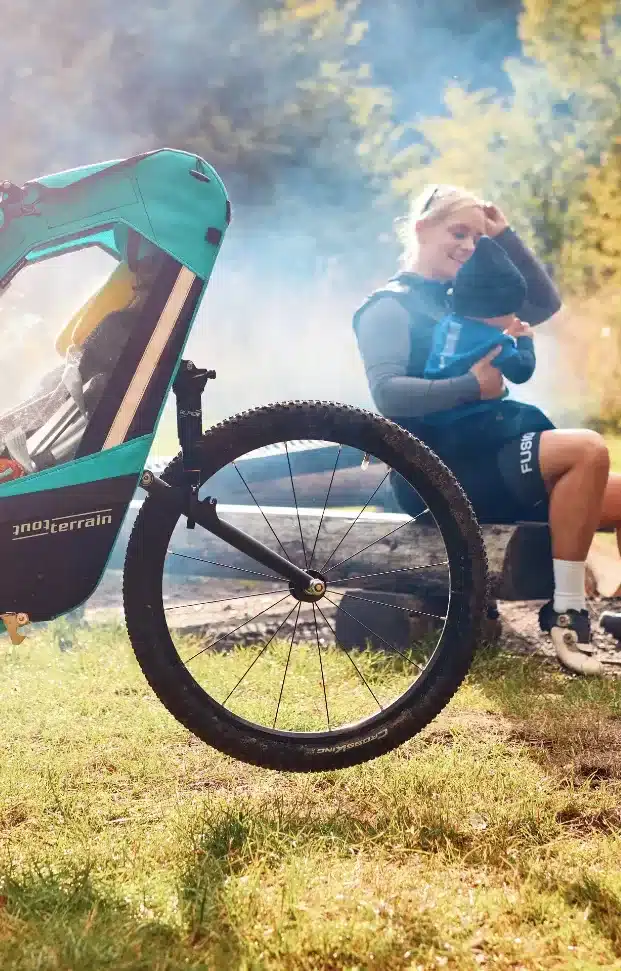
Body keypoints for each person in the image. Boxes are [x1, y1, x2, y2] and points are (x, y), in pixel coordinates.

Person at [352, 183, 621, 675]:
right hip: (441, 473)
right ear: (420, 229)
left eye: (477, 239)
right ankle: (567, 616)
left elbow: (541, 305)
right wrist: (469, 386)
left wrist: (506, 236)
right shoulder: (387, 306)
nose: (469, 247)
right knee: (585, 449)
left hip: (492, 457)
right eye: (458, 232)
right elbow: (387, 394)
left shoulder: (467, 293)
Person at [423, 233, 551, 448]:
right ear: (493, 310)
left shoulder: (447, 324)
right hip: (474, 419)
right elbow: (521, 372)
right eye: (511, 310)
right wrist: (524, 341)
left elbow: (468, 347)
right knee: (533, 417)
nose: (513, 316)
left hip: (437, 419)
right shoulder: (495, 343)